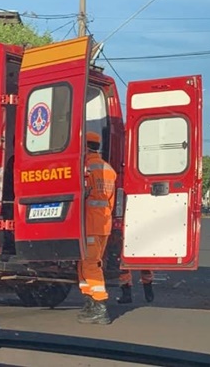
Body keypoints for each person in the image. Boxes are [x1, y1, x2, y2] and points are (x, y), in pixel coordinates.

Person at [77, 131, 117, 325]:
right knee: (86, 263)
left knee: (91, 264)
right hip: (104, 224)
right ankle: (90, 303)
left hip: (90, 223)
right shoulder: (108, 169)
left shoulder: (85, 167)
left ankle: (99, 306)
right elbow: (111, 200)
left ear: (85, 147)